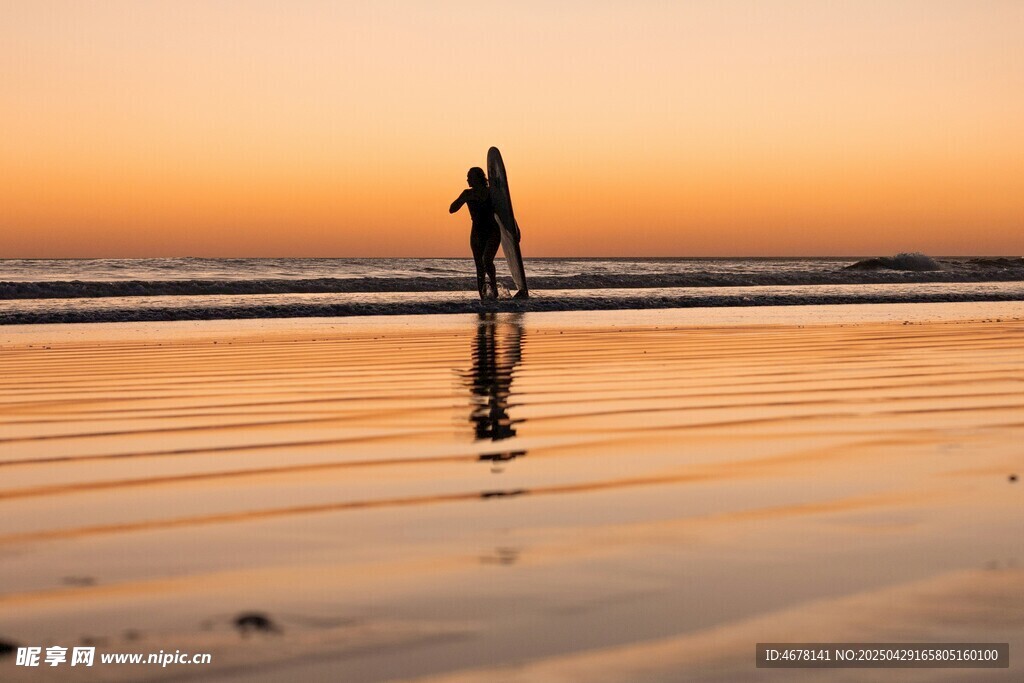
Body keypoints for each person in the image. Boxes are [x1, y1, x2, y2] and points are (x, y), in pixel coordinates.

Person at [450, 167, 501, 300]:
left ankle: (494, 288)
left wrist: (513, 229)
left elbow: (505, 210)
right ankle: (483, 298)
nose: (467, 179)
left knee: (487, 260)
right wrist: (462, 199)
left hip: (492, 231)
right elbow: (452, 209)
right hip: (477, 233)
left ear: (478, 178)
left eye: (470, 177)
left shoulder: (491, 192)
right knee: (479, 267)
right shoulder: (467, 193)